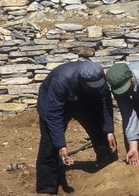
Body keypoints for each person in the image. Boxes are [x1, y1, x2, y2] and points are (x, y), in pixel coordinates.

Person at [36, 61, 117, 195]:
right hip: (53, 104)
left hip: (85, 101)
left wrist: (109, 130)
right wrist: (61, 145)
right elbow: (54, 115)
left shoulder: (99, 81)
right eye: (90, 86)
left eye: (96, 86)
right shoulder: (61, 81)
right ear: (81, 80)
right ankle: (46, 187)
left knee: (103, 136)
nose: (94, 88)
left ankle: (108, 171)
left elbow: (105, 104)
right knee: (49, 145)